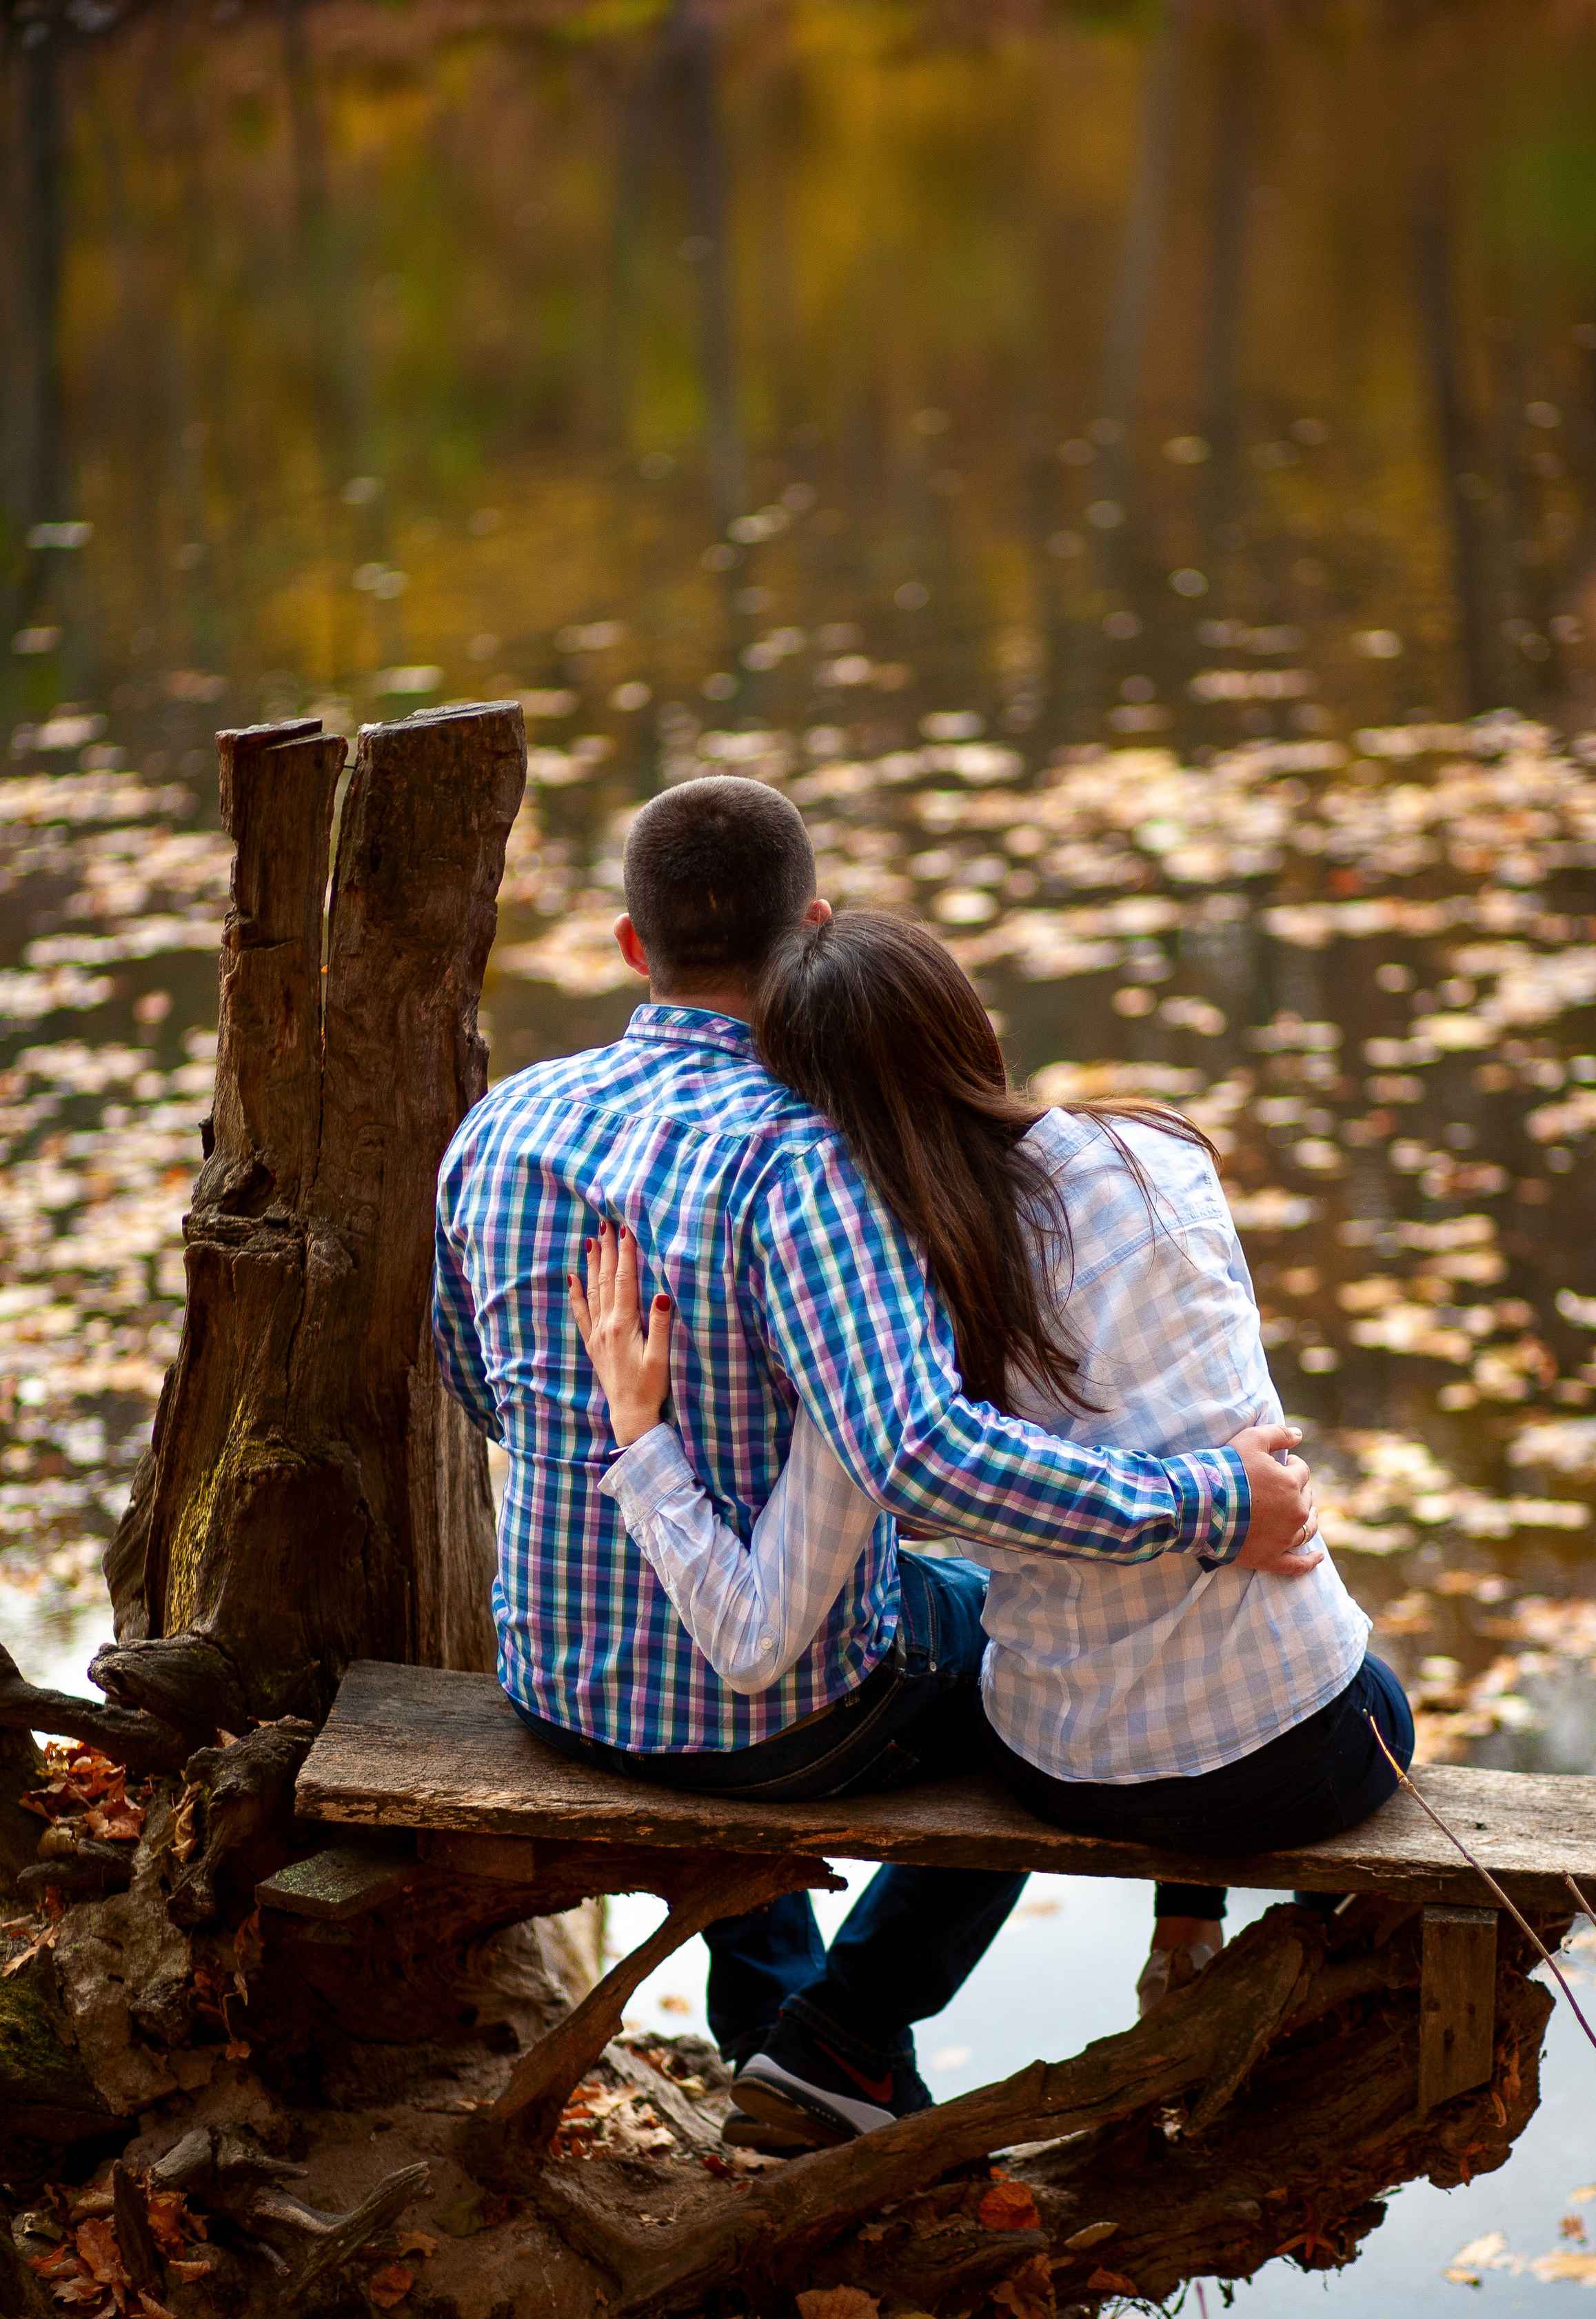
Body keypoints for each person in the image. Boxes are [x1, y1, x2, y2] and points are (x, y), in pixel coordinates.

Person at [434, 776, 1322, 2149]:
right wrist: (1209, 1505)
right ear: (815, 932)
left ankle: (788, 2049)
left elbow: (483, 1387)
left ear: (630, 946)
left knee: (814, 1592)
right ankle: (834, 2039)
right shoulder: (808, 1158)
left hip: (551, 1681)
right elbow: (923, 1460)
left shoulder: (502, 1125)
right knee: (1028, 1675)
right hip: (753, 1724)